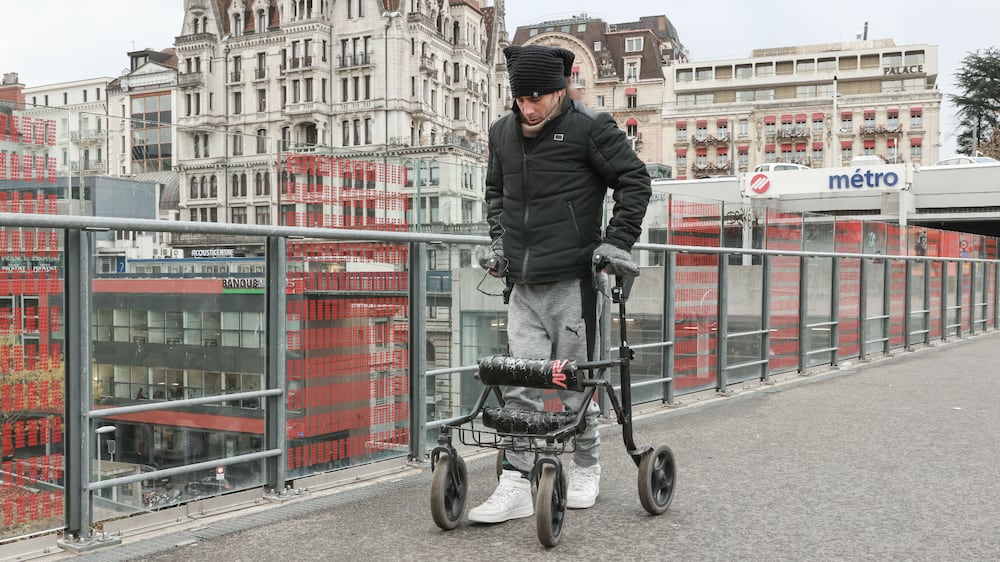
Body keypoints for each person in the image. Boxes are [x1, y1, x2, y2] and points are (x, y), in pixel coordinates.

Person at [468, 44, 651, 524]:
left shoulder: (591, 127)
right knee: (520, 383)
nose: (528, 108)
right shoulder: (501, 132)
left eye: (539, 97)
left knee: (576, 382)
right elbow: (495, 193)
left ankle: (587, 466)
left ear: (561, 89)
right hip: (522, 285)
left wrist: (616, 242)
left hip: (575, 280)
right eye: (521, 98)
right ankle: (515, 483)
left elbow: (634, 180)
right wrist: (498, 241)